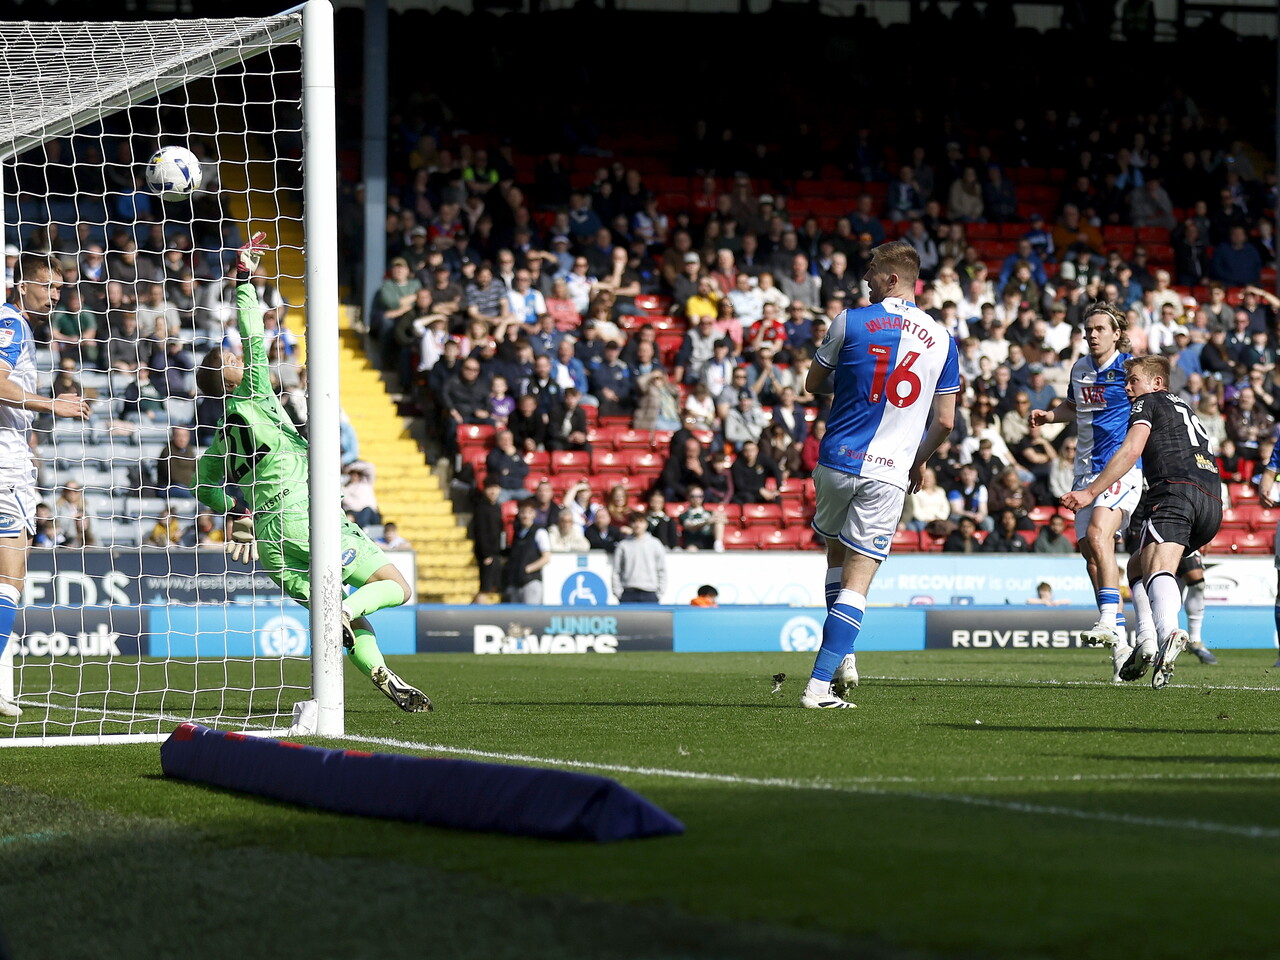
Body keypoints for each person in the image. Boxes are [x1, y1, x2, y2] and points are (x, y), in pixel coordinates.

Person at [193, 233, 430, 713]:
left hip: (269, 539)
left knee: (339, 618)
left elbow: (203, 487)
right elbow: (252, 328)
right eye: (232, 360)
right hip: (307, 514)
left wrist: (236, 508)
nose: (239, 356)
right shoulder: (255, 391)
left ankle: (382, 674)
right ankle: (347, 609)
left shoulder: (220, 441)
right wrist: (243, 277)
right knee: (394, 587)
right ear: (229, 377)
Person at [801, 240, 959, 708]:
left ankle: (843, 657)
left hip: (835, 462)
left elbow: (813, 385)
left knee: (834, 556)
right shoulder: (943, 339)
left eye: (872, 270)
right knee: (858, 582)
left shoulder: (849, 320)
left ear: (893, 278)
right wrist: (917, 461)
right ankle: (817, 687)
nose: (865, 277)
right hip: (889, 473)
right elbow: (946, 421)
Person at [1063, 356, 1222, 689]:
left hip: (1175, 492)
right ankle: (1147, 641)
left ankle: (1168, 634)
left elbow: (1131, 450)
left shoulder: (1148, 402)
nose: (1128, 387)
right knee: (1137, 566)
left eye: (1133, 380)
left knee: (1158, 568)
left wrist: (1091, 491)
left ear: (1157, 383)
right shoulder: (1185, 408)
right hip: (1211, 501)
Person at [0, 255, 92, 717]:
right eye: (47, 287)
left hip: (14, 460)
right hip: (4, 467)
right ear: (22, 284)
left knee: (10, 571)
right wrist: (51, 405)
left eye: (59, 290)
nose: (54, 296)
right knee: (10, 576)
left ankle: (2, 680)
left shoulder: (21, 327)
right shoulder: (11, 323)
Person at [1030, 303, 1140, 651]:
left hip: (1119, 469)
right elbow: (1074, 408)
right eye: (1088, 329)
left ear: (1117, 334)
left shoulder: (1129, 369)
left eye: (1099, 329)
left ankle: (1107, 619)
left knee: (1097, 535)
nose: (1092, 335)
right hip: (1083, 471)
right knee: (1090, 556)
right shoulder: (1080, 368)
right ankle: (1120, 638)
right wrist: (1050, 416)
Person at [611, 511, 668, 603]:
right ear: (630, 524)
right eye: (634, 522)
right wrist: (618, 593)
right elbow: (616, 571)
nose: (637, 525)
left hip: (650, 593)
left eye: (641, 521)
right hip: (628, 593)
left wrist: (659, 593)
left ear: (646, 524)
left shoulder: (655, 544)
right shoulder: (623, 545)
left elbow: (662, 569)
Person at [502, 498, 551, 603]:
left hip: (531, 582)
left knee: (531, 617)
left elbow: (546, 557)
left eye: (529, 512)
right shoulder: (517, 533)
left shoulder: (540, 532)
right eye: (523, 512)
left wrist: (529, 568)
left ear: (534, 514)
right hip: (515, 583)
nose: (525, 516)